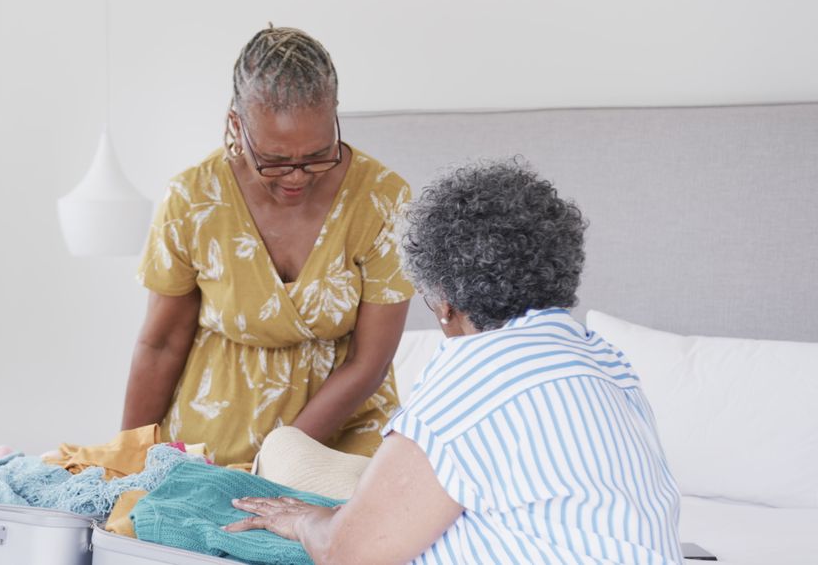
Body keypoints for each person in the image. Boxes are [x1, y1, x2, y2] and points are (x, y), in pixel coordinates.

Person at [226, 161, 683, 564]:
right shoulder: (603, 360)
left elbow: (345, 553)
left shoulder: (474, 375)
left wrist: (307, 523)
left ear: (444, 303)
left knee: (292, 458)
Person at [122, 26, 414, 466]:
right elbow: (161, 344)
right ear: (236, 126)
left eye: (318, 154)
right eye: (275, 161)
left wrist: (279, 461)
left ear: (334, 116)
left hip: (343, 436)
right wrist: (124, 462)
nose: (297, 176)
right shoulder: (192, 199)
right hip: (210, 441)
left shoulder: (383, 200)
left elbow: (369, 362)